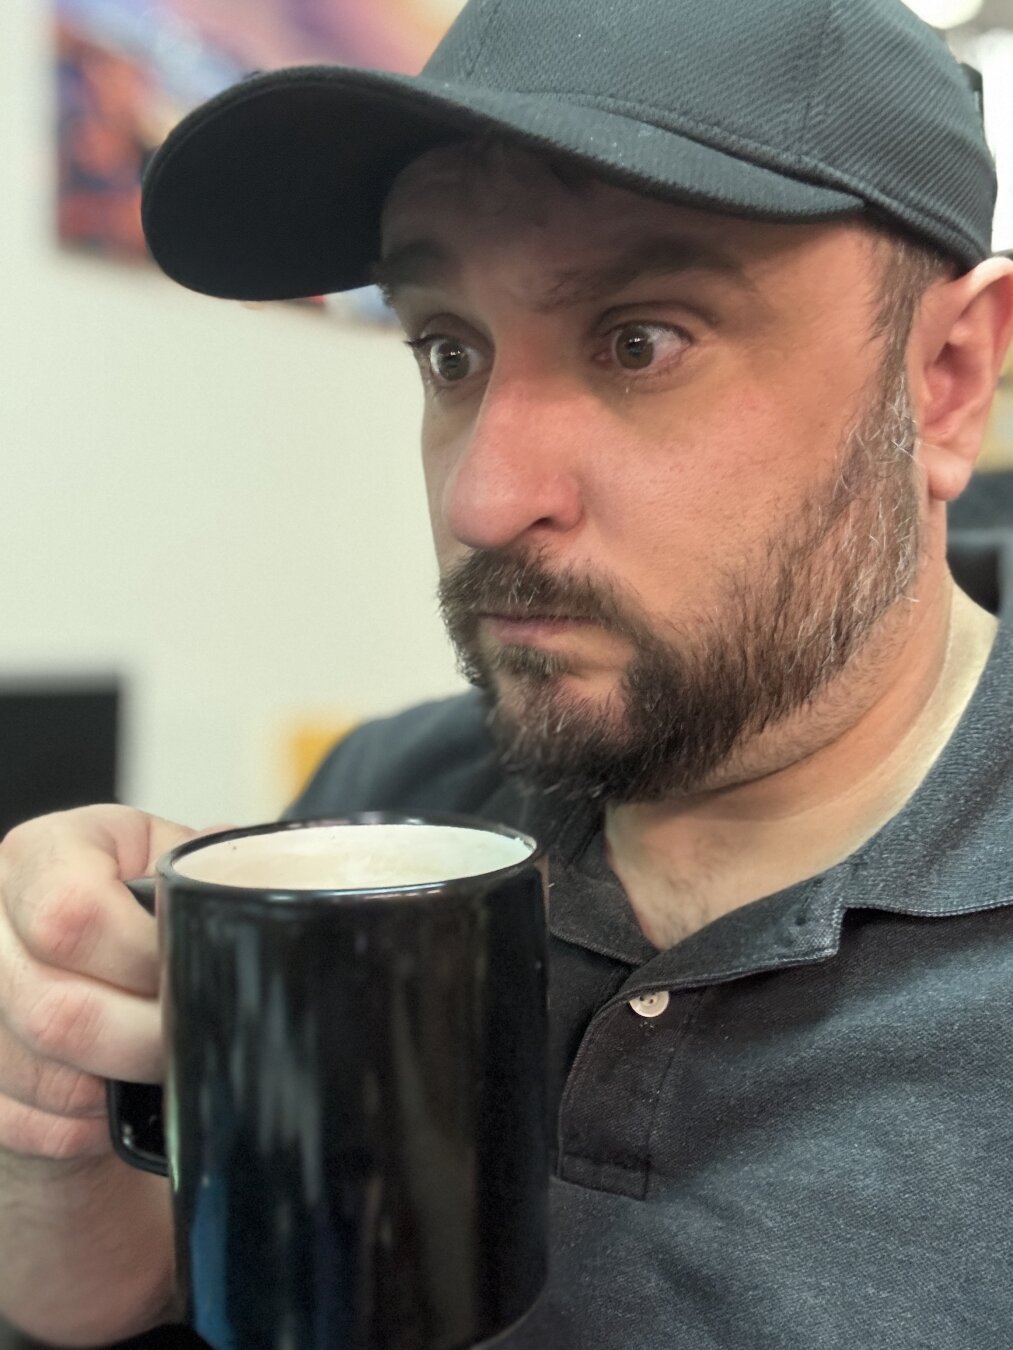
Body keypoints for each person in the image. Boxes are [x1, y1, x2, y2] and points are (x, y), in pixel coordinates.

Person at [2, 0, 1013, 1345]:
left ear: (944, 379)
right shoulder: (392, 795)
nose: (481, 497)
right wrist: (55, 1117)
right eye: (447, 350)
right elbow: (134, 1296)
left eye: (639, 339)